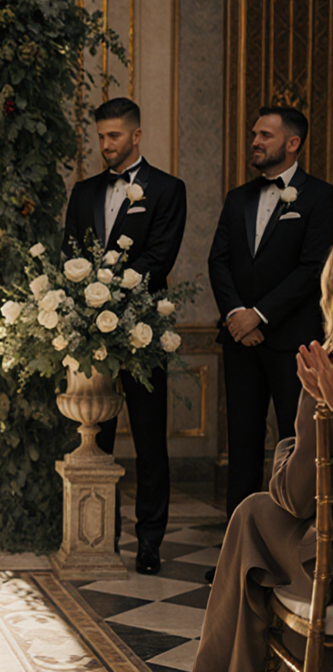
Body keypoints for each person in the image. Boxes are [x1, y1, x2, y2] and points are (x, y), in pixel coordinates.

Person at [62, 97, 188, 575]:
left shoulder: (168, 190)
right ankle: (100, 535)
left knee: (151, 438)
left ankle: (149, 541)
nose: (105, 145)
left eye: (114, 136)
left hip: (143, 332)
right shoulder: (85, 192)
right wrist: (86, 308)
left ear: (137, 136)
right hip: (89, 337)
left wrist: (108, 296)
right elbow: (69, 254)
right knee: (97, 434)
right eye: (101, 137)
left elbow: (160, 257)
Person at [192, 249, 333, 672]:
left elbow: (296, 497)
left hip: (327, 556)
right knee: (254, 517)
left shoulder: (324, 370)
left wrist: (289, 446)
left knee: (253, 517)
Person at [208, 107, 333, 534]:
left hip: (293, 345)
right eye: (254, 133)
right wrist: (236, 318)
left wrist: (259, 315)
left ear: (292, 143)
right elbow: (218, 261)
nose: (255, 141)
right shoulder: (238, 197)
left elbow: (312, 268)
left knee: (296, 447)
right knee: (241, 447)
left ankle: (294, 550)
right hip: (240, 343)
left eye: (264, 134)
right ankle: (236, 551)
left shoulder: (321, 197)